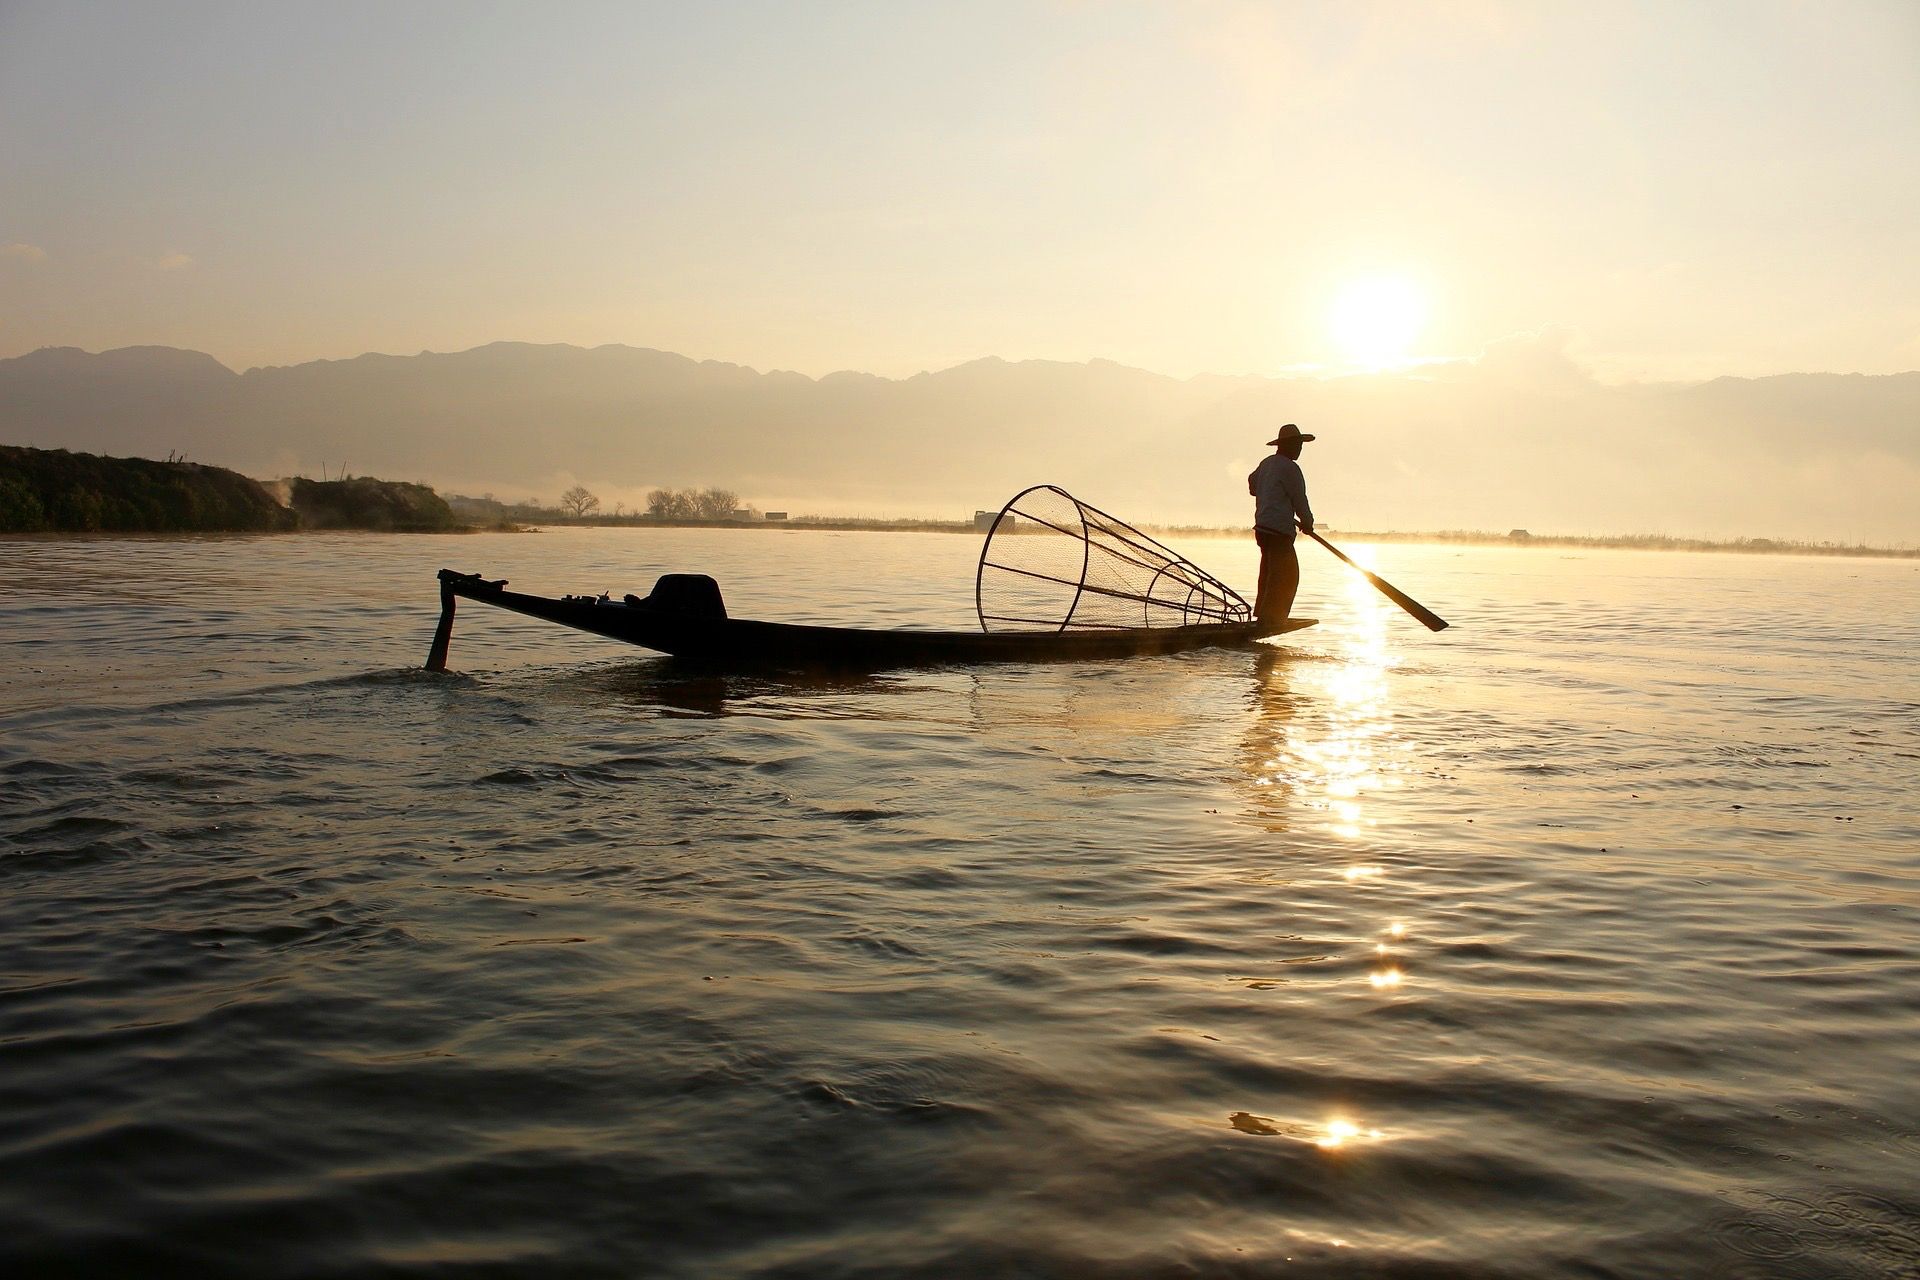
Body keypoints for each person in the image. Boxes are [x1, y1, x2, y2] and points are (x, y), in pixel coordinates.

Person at [1247, 422, 1314, 629]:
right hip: (1277, 532)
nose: (1300, 449)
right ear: (1288, 445)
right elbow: (1299, 500)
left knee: (1269, 572)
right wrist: (1307, 522)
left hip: (1263, 529)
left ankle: (1263, 615)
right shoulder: (1291, 468)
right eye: (1298, 445)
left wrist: (1266, 491)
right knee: (1286, 575)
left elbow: (1252, 483)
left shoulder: (1267, 463)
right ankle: (1271, 619)